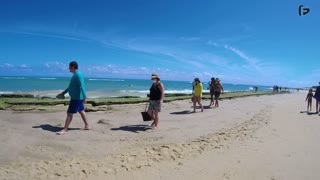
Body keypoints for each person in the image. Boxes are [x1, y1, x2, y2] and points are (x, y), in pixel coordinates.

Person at [56, 61, 89, 135]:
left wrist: (85, 97)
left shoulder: (78, 75)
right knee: (81, 111)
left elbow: (82, 86)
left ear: (73, 67)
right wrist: (63, 93)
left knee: (69, 113)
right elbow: (71, 87)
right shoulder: (75, 75)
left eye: (70, 67)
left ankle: (65, 129)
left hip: (76, 98)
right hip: (76, 97)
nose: (69, 69)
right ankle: (87, 126)